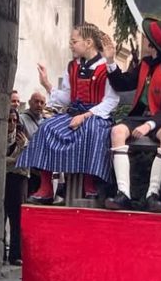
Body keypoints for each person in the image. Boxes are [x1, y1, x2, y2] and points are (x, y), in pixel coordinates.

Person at [18, 23, 119, 203]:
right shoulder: (72, 66)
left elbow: (111, 100)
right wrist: (47, 84)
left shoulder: (106, 67)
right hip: (73, 113)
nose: (70, 44)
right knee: (46, 127)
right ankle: (46, 186)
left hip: (96, 115)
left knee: (92, 130)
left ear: (88, 43)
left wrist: (86, 115)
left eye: (74, 41)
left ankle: (90, 183)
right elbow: (67, 96)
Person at [102, 19, 161, 213]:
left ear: (153, 44)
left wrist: (149, 125)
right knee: (117, 131)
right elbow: (122, 84)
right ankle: (123, 194)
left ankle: (153, 195)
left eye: (148, 38)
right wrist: (110, 61)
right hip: (139, 118)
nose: (145, 39)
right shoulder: (145, 64)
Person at [5, 108, 29, 265]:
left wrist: (20, 149)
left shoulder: (22, 139)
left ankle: (15, 254)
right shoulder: (0, 138)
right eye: (9, 120)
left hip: (18, 179)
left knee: (17, 217)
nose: (12, 124)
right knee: (2, 215)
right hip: (6, 178)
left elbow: (22, 161)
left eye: (15, 120)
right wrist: (14, 158)